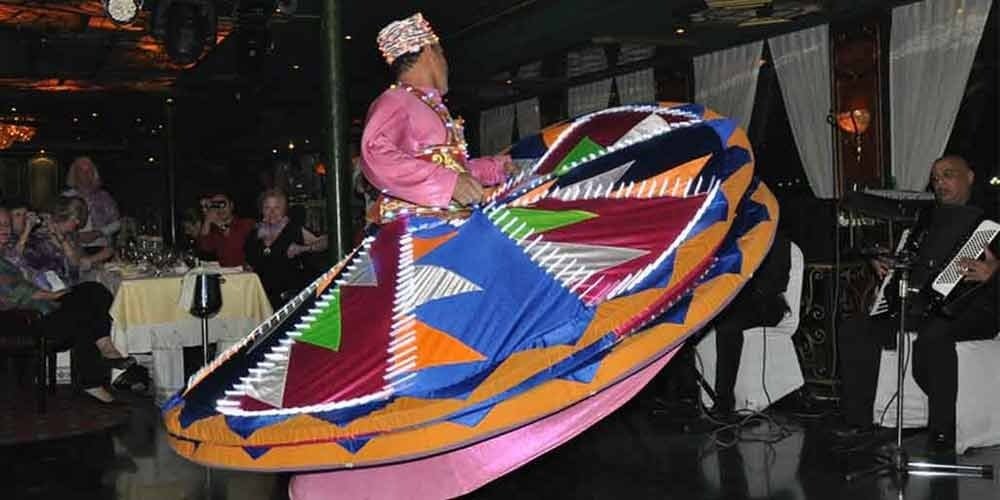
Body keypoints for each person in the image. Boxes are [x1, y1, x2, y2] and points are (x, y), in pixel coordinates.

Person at [834, 155, 998, 455]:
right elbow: (910, 259)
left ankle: (942, 433)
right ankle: (859, 422)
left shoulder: (993, 218)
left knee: (934, 337)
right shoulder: (926, 218)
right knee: (855, 329)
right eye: (935, 178)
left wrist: (993, 273)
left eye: (948, 175)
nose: (939, 183)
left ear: (970, 176)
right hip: (921, 306)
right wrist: (883, 261)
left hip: (977, 310)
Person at [360, 12, 515, 227]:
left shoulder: (427, 104)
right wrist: (448, 184)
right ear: (430, 52)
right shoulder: (396, 100)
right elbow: (374, 153)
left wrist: (496, 169)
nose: (445, 64)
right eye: (442, 53)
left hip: (450, 222)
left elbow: (450, 168)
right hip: (420, 228)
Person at [0, 206, 138, 404]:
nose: (4, 228)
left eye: (5, 224)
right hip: (24, 321)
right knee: (88, 302)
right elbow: (14, 294)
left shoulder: (8, 252)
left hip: (42, 309)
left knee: (94, 292)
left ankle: (102, 351)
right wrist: (55, 295)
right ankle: (95, 371)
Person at [710, 231, 791, 420]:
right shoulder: (734, 231)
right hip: (734, 300)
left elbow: (778, 282)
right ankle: (683, 395)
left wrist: (747, 284)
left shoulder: (776, 236)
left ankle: (724, 402)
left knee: (728, 325)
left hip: (767, 304)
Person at [244, 189, 328, 308]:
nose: (272, 212)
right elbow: (249, 262)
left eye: (277, 207)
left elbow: (326, 241)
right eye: (267, 208)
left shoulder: (293, 229)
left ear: (284, 210)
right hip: (261, 299)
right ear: (262, 210)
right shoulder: (254, 233)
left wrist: (303, 249)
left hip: (289, 298)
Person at [62, 156, 120, 262]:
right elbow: (58, 224)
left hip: (102, 248)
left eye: (89, 171)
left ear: (94, 174)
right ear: (74, 174)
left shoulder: (104, 197)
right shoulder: (66, 197)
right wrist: (75, 236)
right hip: (73, 248)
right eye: (81, 171)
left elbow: (116, 223)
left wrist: (98, 233)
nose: (86, 174)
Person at [195, 191, 255, 267]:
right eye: (216, 206)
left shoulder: (246, 224)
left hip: (245, 274)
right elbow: (204, 248)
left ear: (231, 205)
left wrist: (219, 223)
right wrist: (207, 220)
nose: (220, 209)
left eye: (223, 204)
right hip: (224, 273)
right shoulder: (215, 229)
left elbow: (235, 246)